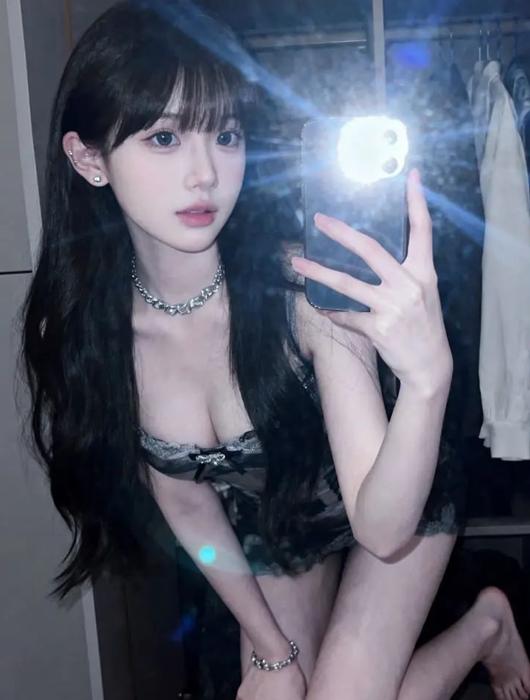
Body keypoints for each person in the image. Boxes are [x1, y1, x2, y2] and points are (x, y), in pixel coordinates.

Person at [21, 2, 530, 699]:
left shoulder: (301, 294)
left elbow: (382, 529)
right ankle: (486, 626)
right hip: (278, 522)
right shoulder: (92, 330)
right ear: (88, 159)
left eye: (225, 135)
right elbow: (188, 507)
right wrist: (270, 650)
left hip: (397, 489)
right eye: (165, 138)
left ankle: (484, 627)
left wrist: (426, 381)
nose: (204, 173)